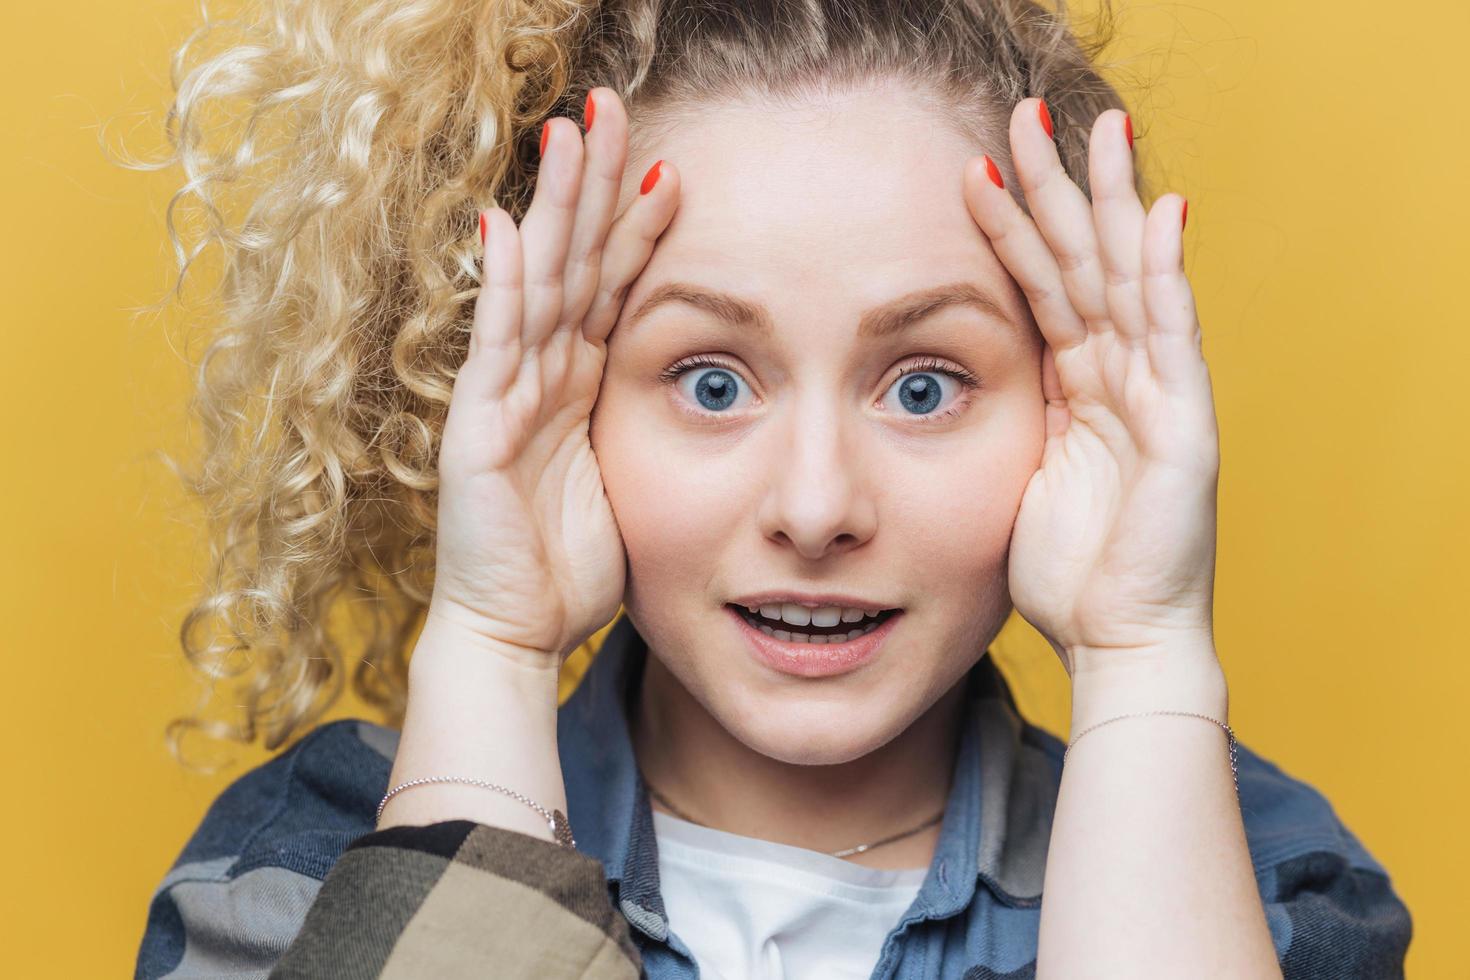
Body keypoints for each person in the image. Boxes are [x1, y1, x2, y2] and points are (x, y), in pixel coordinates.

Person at [131, 1, 1413, 977]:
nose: (815, 505)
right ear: (562, 407)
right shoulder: (312, 859)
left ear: (1071, 408)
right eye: (708, 380)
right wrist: (494, 647)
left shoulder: (1261, 876)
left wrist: (1140, 657)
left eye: (923, 384)